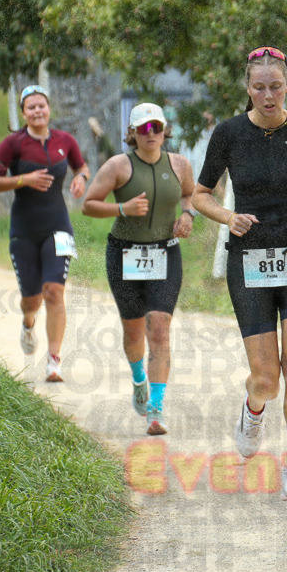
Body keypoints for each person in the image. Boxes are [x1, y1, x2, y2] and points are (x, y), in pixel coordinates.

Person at [192, 46, 287, 500]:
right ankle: (253, 410)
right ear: (247, 88)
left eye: (275, 87)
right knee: (267, 378)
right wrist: (226, 216)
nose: (267, 96)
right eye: (259, 87)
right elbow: (199, 194)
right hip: (248, 255)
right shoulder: (229, 134)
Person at [81, 103, 195, 435]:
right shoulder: (117, 166)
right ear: (131, 133)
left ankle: (156, 409)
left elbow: (190, 195)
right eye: (143, 128)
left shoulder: (180, 164)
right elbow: (89, 204)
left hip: (166, 253)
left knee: (159, 330)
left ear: (164, 130)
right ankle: (138, 378)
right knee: (134, 334)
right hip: (125, 254)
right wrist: (122, 207)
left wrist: (187, 215)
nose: (151, 134)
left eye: (156, 127)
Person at [0, 85, 89, 382]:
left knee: (54, 291)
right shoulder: (13, 144)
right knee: (32, 298)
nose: (37, 111)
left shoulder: (65, 141)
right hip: (24, 230)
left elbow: (81, 167)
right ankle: (29, 322)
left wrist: (81, 179)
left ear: (49, 108)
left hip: (58, 226)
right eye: (30, 107)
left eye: (41, 105)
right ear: (23, 113)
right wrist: (24, 179)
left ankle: (54, 361)